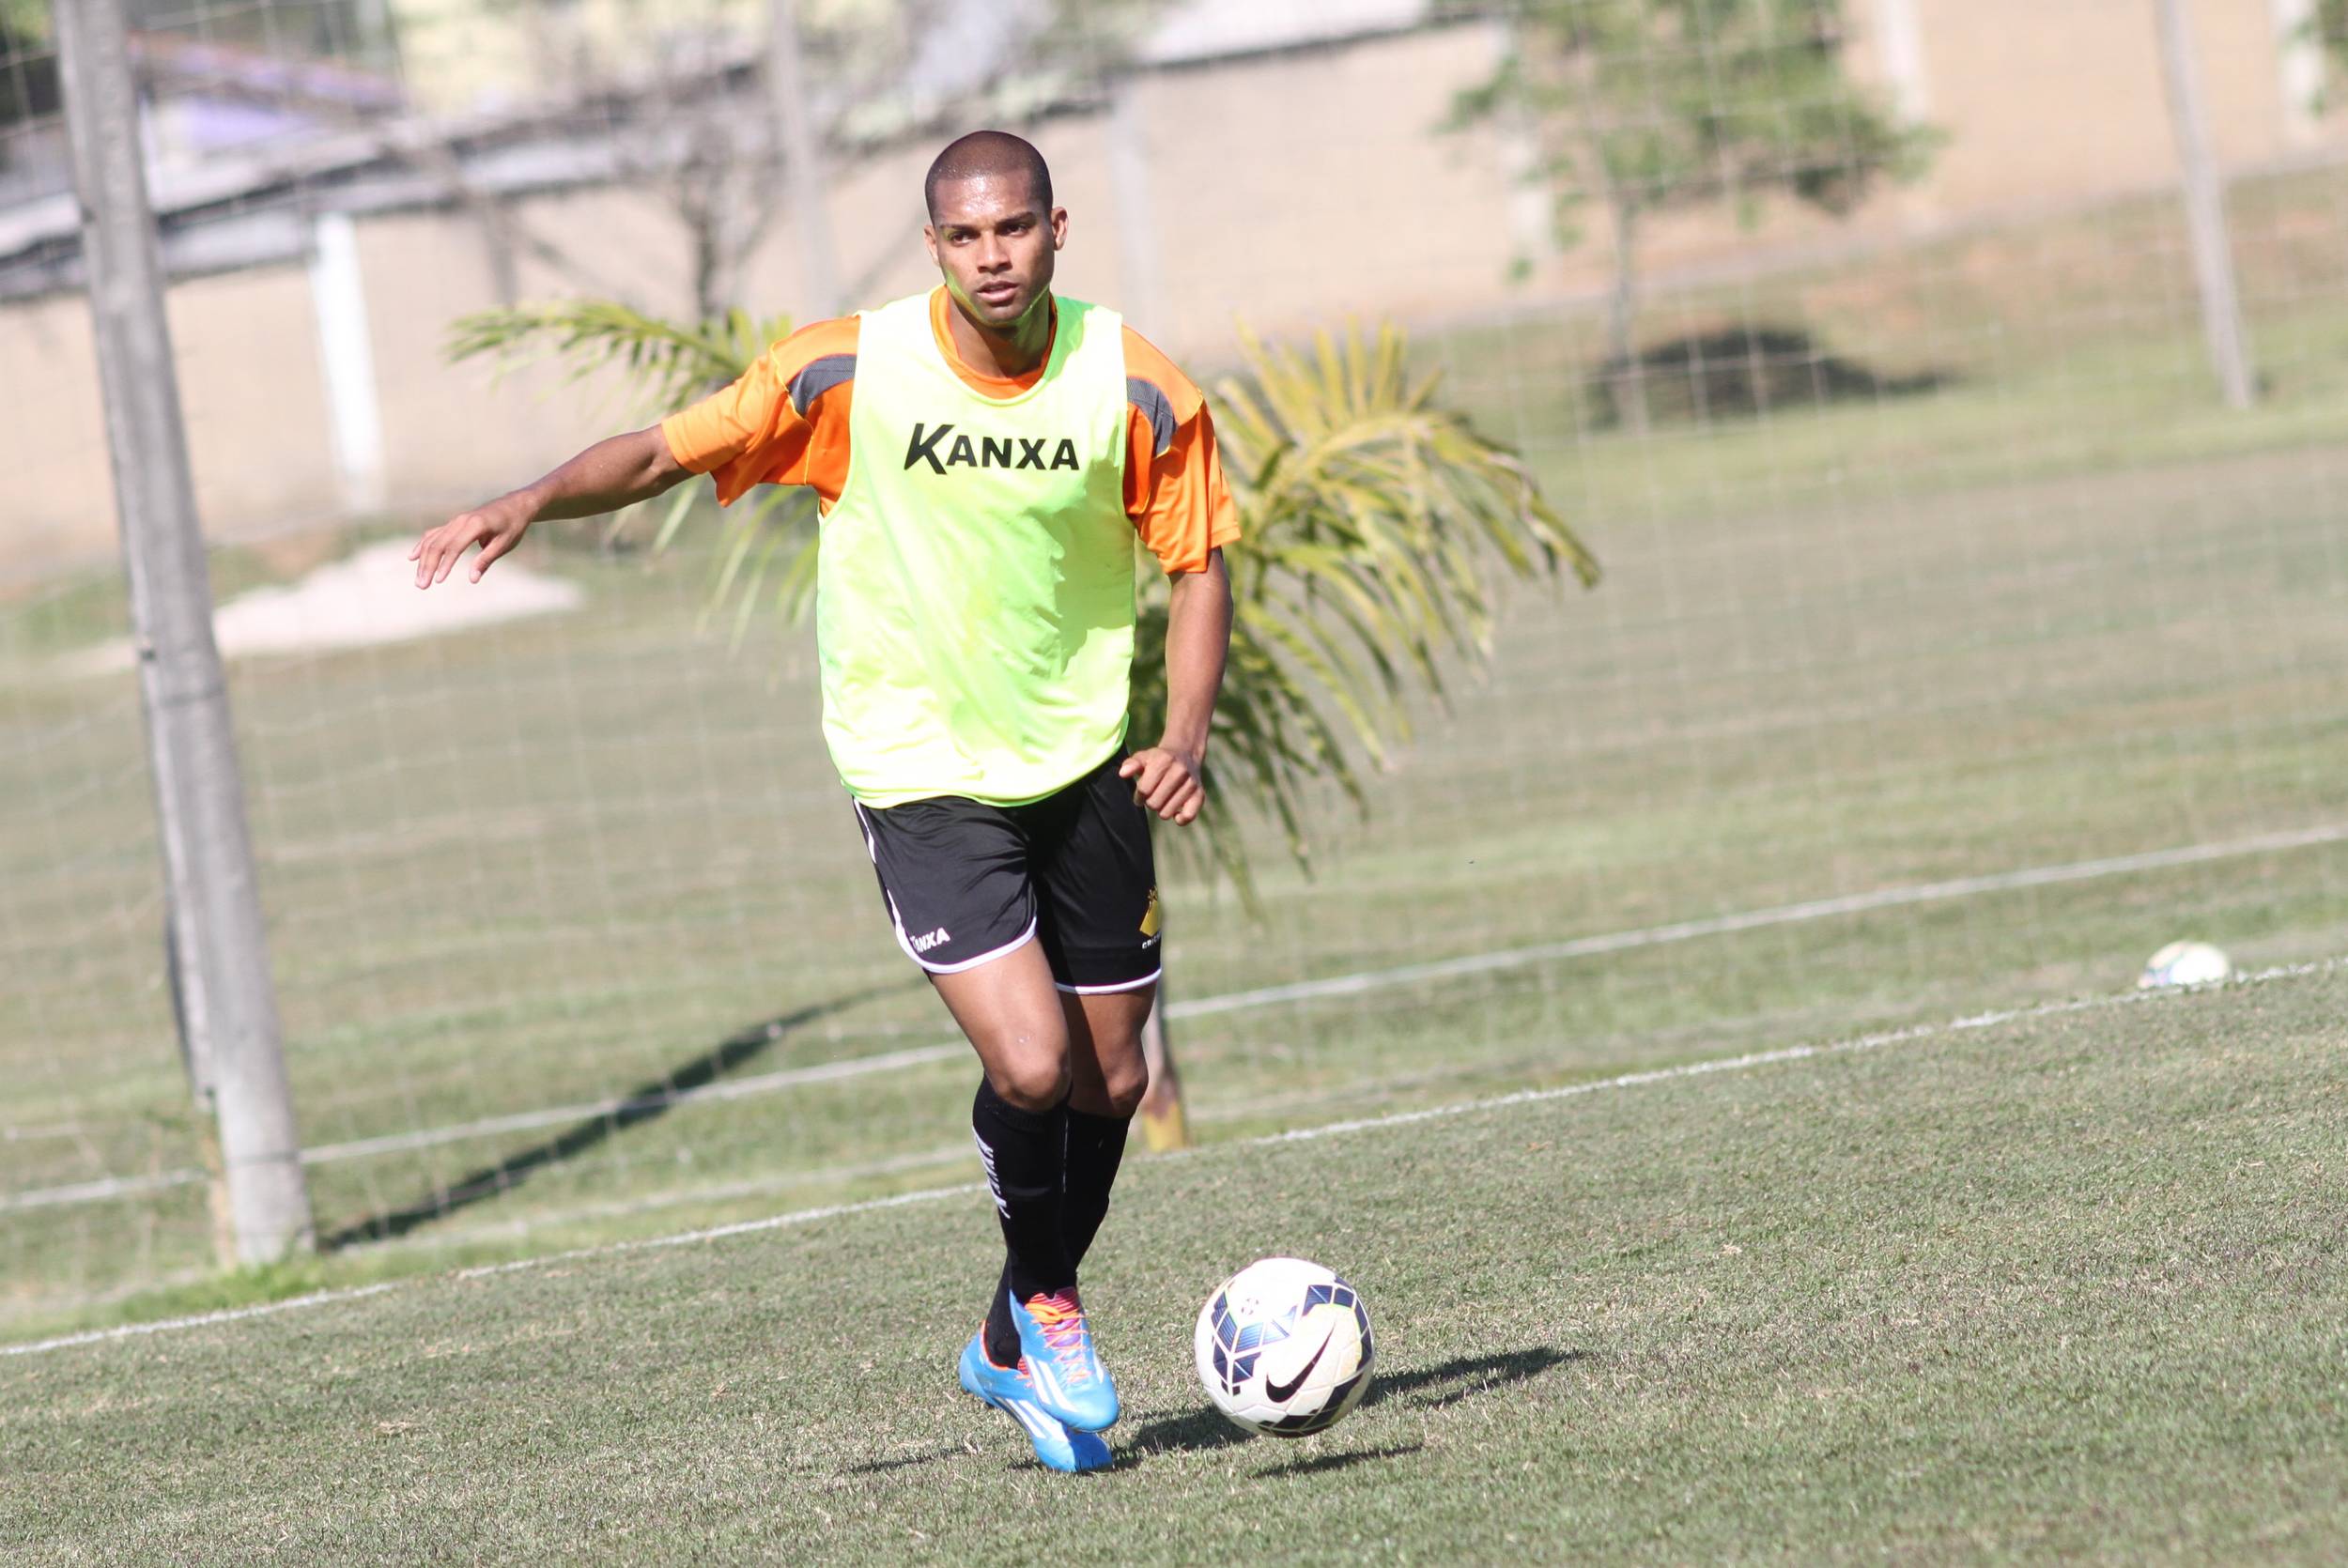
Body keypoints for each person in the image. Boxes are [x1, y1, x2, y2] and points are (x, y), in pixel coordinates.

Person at [410, 129, 1237, 1474]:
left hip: (1084, 766)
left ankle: (1005, 1340)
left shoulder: (1131, 383)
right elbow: (668, 451)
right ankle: (1051, 1305)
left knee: (1116, 1079)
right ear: (933, 246)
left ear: (1057, 229)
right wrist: (533, 496)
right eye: (965, 236)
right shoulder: (847, 372)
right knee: (1032, 1064)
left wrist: (1183, 731)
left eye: (1015, 230)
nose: (992, 257)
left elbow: (1198, 561)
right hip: (918, 771)